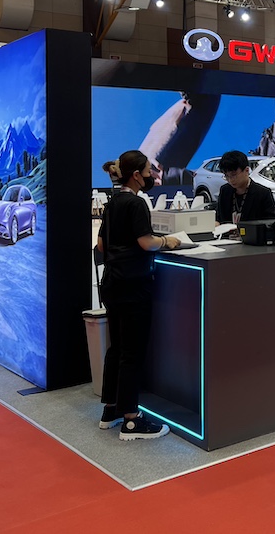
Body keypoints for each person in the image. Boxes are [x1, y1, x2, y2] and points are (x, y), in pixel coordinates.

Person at [96, 150, 180, 441]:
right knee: (132, 352)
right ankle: (131, 420)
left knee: (117, 348)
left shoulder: (113, 202)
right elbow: (146, 242)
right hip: (133, 286)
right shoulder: (135, 203)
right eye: (147, 172)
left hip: (112, 283)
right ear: (136, 175)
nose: (151, 176)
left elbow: (101, 245)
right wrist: (168, 241)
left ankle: (111, 409)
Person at [215, 150, 275, 225]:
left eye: (234, 175)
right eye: (226, 176)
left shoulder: (263, 193)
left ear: (246, 170)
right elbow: (218, 218)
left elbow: (270, 223)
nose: (230, 180)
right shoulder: (225, 191)